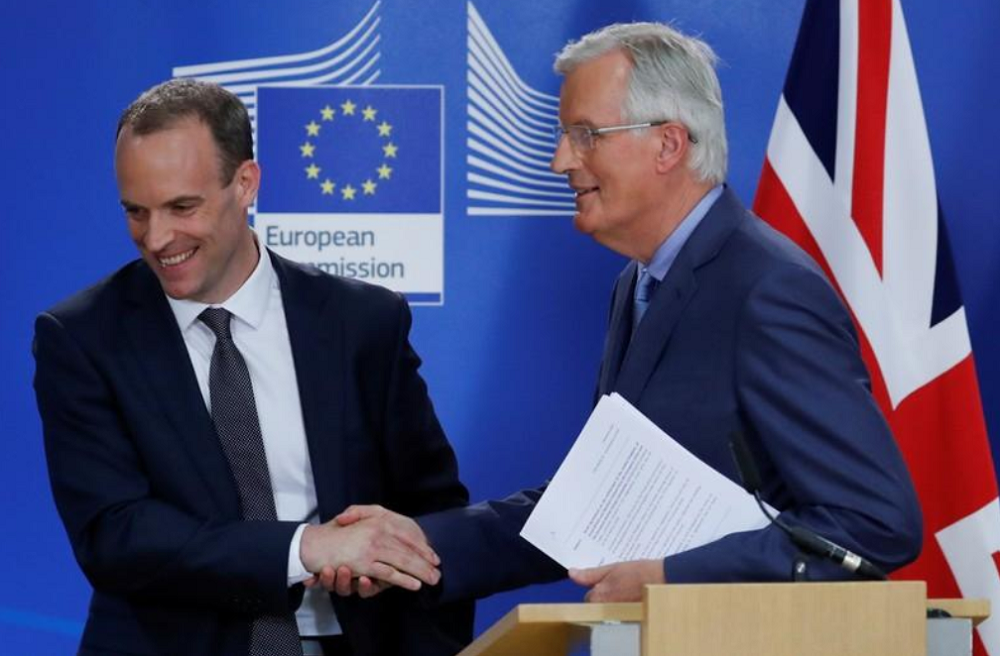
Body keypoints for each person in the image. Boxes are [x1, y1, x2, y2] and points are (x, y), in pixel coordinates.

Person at [326, 21, 923, 605]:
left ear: (668, 144)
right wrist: (417, 544)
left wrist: (673, 576)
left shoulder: (767, 290)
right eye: (565, 135)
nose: (561, 160)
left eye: (586, 135)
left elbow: (873, 522)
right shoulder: (638, 284)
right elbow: (595, 509)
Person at [33, 79, 472, 656]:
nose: (156, 238)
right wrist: (304, 548)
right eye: (136, 211)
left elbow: (431, 512)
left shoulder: (362, 321)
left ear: (245, 183)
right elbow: (115, 533)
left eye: (182, 207)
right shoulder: (83, 338)